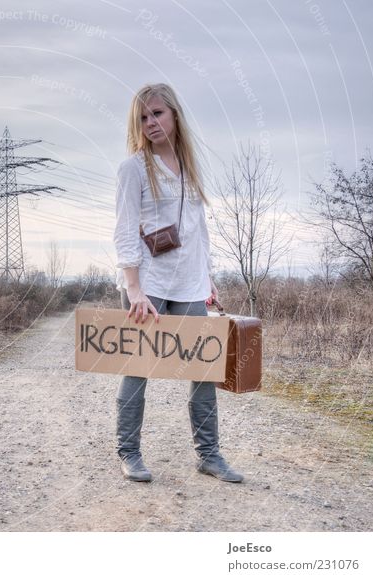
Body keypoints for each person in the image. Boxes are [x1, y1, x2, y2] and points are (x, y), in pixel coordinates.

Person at [113, 83, 243, 483]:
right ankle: (129, 453)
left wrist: (208, 280)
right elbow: (123, 233)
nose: (150, 123)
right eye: (143, 118)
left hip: (190, 285)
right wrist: (134, 290)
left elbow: (198, 229)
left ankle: (209, 455)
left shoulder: (189, 168)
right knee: (138, 370)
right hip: (148, 285)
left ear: (174, 116)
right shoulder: (133, 168)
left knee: (203, 371)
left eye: (157, 114)